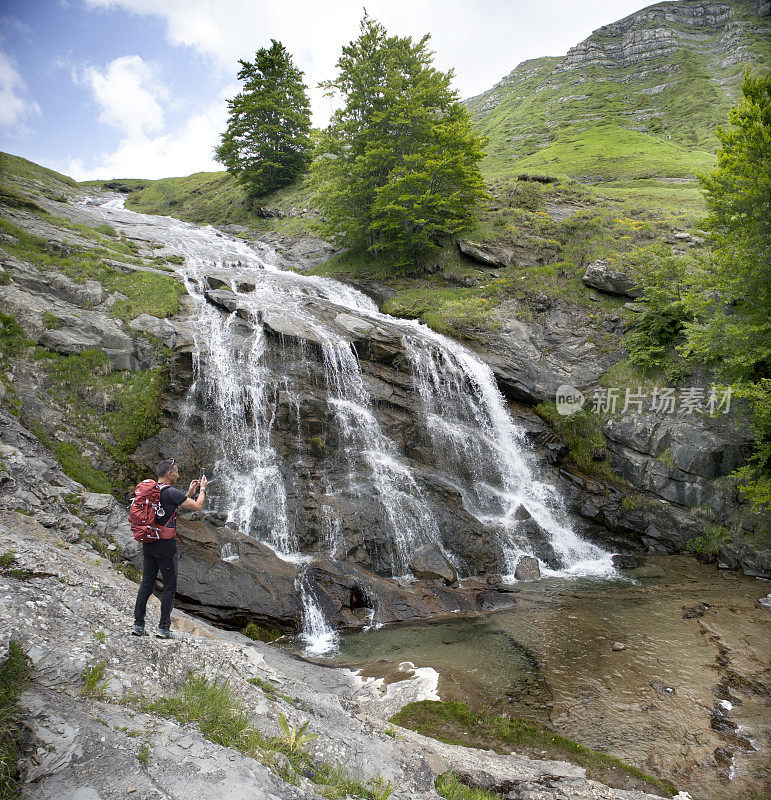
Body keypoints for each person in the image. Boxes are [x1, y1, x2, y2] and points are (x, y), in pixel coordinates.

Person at [132, 458, 207, 639]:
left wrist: (190, 492)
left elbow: (173, 507)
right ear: (169, 474)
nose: (178, 474)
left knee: (146, 584)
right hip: (165, 545)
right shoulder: (171, 492)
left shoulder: (154, 491)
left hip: (149, 542)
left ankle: (138, 625)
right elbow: (197, 506)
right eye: (176, 471)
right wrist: (202, 489)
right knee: (169, 586)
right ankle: (163, 628)